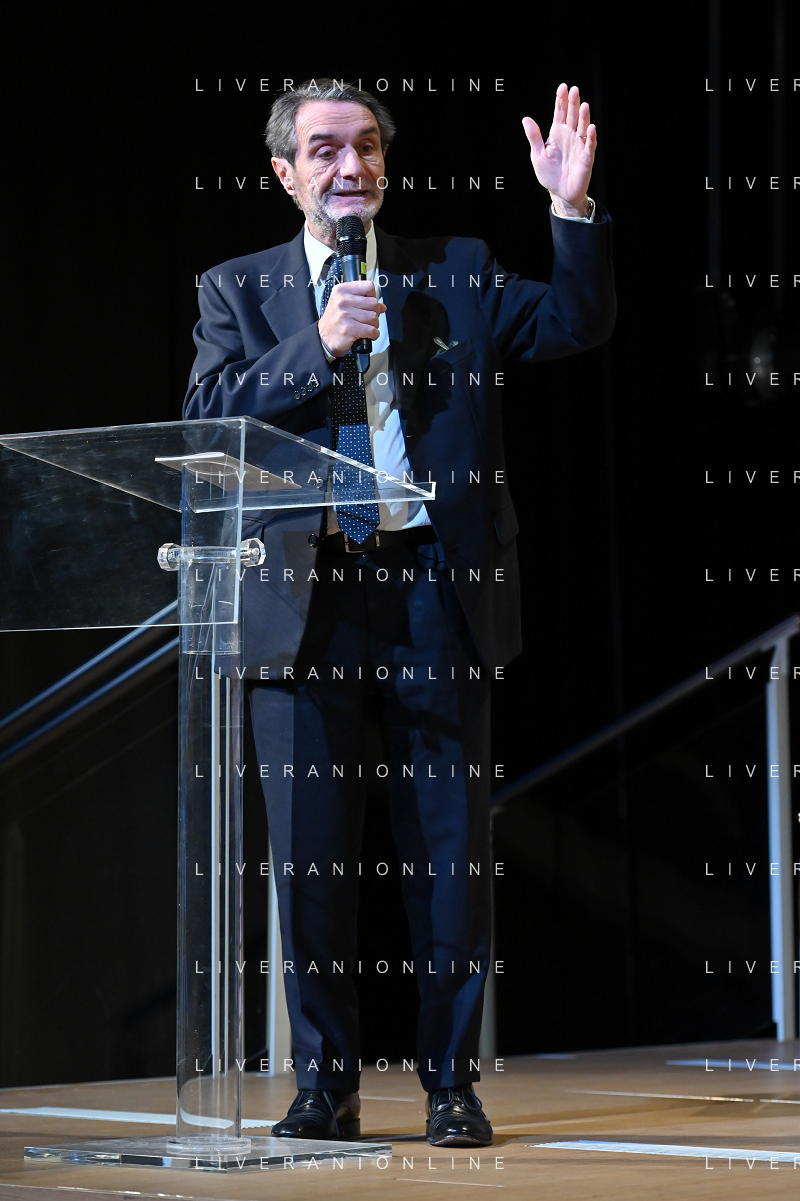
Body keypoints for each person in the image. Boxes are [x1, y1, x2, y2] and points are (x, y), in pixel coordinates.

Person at [184, 78, 615, 1147]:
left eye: (367, 146)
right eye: (326, 149)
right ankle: (323, 1085)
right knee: (312, 863)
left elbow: (574, 322)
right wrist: (317, 345)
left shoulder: (454, 267)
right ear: (285, 173)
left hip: (432, 592)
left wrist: (568, 210)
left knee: (449, 859)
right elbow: (203, 416)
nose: (352, 167)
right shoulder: (237, 288)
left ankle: (450, 1085)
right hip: (306, 600)